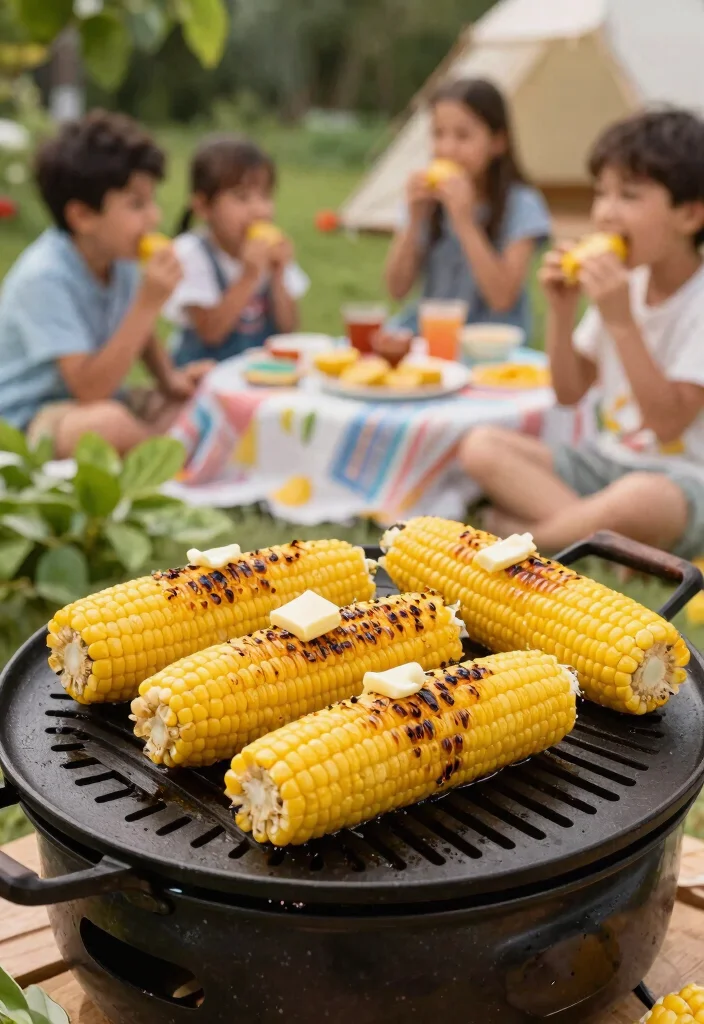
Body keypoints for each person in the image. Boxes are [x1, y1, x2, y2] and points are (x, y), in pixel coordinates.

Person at [460, 109, 704, 558]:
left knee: (640, 499)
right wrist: (562, 310)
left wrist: (621, 321)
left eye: (629, 195)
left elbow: (668, 421)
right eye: (601, 194)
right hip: (606, 461)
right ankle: (611, 546)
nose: (606, 213)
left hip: (681, 480)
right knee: (481, 446)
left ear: (689, 216)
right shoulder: (626, 280)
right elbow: (569, 392)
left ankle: (525, 535)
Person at [0, 109, 211, 457]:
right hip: (31, 420)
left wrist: (169, 381)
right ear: (83, 216)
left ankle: (161, 446)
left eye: (152, 200)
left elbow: (139, 333)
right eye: (136, 204)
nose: (154, 216)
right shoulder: (44, 277)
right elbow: (89, 389)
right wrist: (149, 302)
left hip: (100, 401)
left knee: (198, 400)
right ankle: (172, 458)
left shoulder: (120, 256)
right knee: (107, 426)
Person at [384, 78, 551, 338]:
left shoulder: (523, 205)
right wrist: (415, 221)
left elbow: (502, 298)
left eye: (463, 136)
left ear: (498, 142)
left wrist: (465, 222)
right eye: (438, 134)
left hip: (492, 344)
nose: (447, 149)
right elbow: (396, 289)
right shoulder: (426, 202)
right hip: (427, 335)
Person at [164, 135, 309, 366]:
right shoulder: (191, 254)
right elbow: (211, 332)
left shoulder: (271, 253)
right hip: (202, 379)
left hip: (260, 374)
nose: (259, 210)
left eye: (265, 196)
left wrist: (279, 274)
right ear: (203, 206)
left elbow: (289, 329)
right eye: (242, 198)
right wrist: (249, 276)